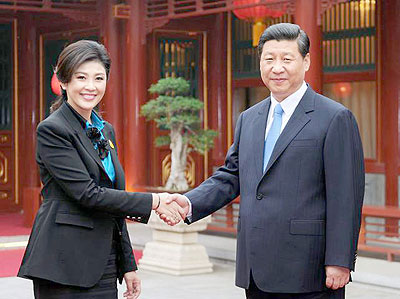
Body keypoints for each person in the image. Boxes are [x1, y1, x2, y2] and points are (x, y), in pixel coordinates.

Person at [163, 23, 365, 298]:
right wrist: (189, 202)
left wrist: (340, 260)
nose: (277, 67)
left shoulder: (333, 118)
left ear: (306, 61)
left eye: (286, 58)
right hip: (255, 268)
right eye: (269, 59)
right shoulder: (250, 118)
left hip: (309, 270)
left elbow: (346, 196)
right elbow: (231, 175)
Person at [18, 40, 184, 299]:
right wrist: (155, 201)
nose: (91, 86)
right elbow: (88, 194)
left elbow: (113, 199)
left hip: (104, 262)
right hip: (64, 262)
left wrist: (128, 264)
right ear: (63, 82)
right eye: (81, 77)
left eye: (99, 78)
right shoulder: (53, 130)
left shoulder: (105, 130)